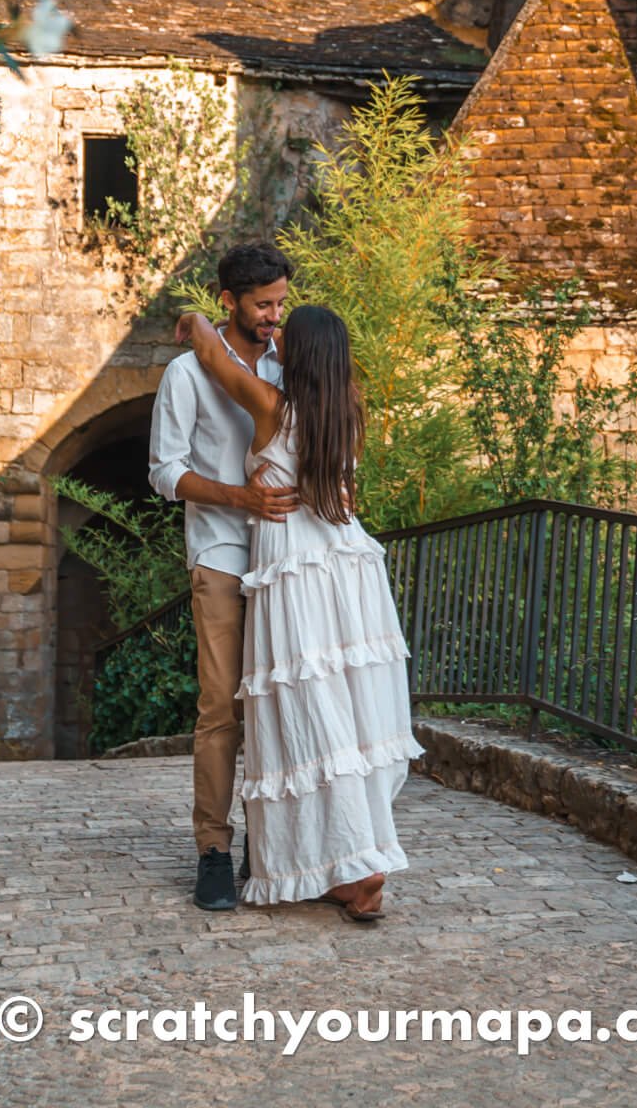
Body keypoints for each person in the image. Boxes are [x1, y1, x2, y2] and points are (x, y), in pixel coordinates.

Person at [173, 300, 423, 922]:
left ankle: (360, 865)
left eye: (287, 327)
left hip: (298, 572)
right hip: (351, 569)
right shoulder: (349, 407)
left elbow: (210, 356)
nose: (275, 327)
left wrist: (191, 319)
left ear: (302, 354)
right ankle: (344, 864)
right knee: (351, 712)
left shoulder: (271, 405)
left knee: (307, 710)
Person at [149, 243, 297, 911]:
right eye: (263, 304)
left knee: (282, 703)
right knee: (220, 709)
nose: (273, 315)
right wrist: (240, 500)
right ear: (230, 301)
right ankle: (213, 849)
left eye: (280, 303)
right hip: (218, 553)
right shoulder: (186, 373)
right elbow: (163, 473)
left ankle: (273, 847)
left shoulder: (294, 366)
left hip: (289, 556)